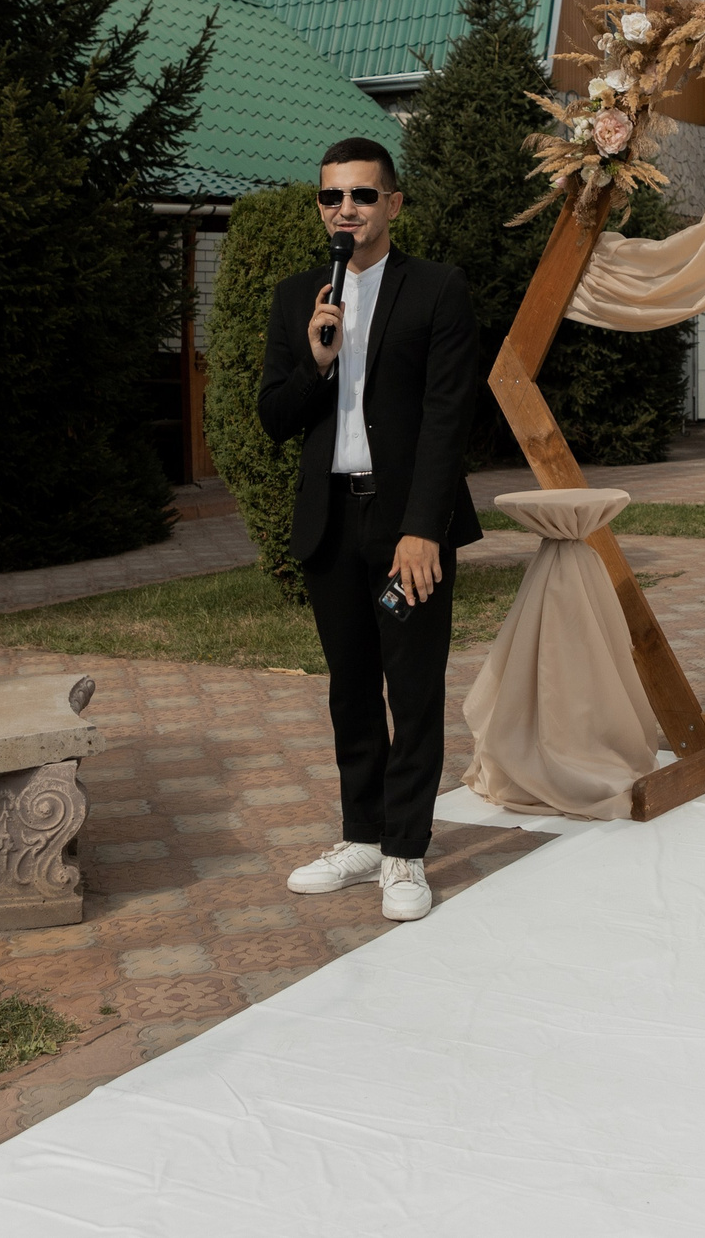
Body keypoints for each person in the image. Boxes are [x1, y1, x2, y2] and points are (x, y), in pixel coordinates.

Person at [257, 137, 482, 921]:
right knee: (350, 689)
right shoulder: (299, 297)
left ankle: (405, 852)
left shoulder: (437, 289)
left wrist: (424, 530)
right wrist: (317, 363)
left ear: (392, 203)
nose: (345, 209)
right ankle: (362, 836)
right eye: (332, 196)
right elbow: (275, 417)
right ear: (320, 208)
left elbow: (448, 419)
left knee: (412, 691)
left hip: (405, 527)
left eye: (361, 194)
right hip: (330, 523)